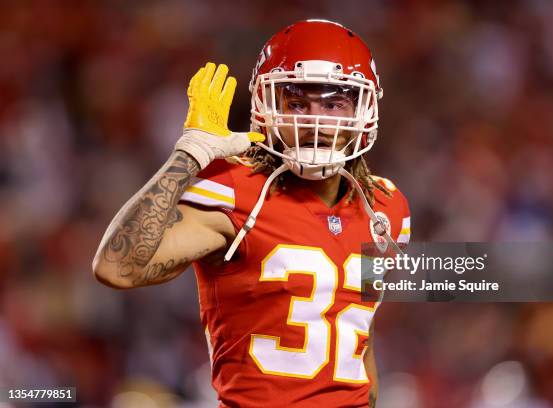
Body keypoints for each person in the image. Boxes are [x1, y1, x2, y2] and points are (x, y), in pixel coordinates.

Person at [93, 19, 411, 408]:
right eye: (296, 103)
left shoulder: (384, 205)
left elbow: (360, 333)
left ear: (363, 110)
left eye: (333, 103)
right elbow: (116, 267)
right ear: (266, 106)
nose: (314, 121)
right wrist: (188, 155)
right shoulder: (234, 189)